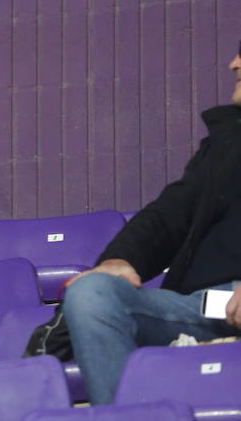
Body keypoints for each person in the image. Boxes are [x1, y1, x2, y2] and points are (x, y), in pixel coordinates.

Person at [60, 44, 241, 405]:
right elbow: (171, 211)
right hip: (204, 306)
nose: (233, 63)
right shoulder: (227, 142)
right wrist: (122, 260)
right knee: (91, 292)